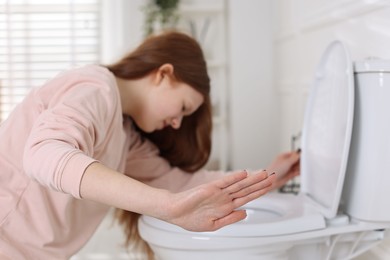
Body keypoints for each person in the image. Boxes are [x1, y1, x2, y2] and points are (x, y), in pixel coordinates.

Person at [0, 31, 300, 259]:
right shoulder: (94, 87)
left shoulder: (125, 136)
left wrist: (269, 176)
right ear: (164, 74)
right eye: (183, 107)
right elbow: (44, 154)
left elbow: (184, 183)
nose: (177, 123)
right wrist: (166, 207)